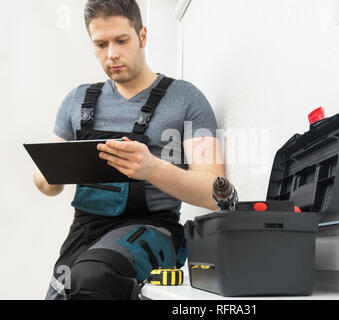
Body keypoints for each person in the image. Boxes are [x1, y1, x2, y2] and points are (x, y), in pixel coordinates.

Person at [34, 0, 224, 300]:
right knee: (63, 293)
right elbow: (47, 184)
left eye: (121, 40)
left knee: (93, 278)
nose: (112, 54)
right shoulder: (76, 101)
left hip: (154, 229)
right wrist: (48, 179)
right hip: (85, 230)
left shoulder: (187, 99)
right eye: (101, 44)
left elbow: (216, 194)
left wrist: (152, 169)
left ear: (143, 36)